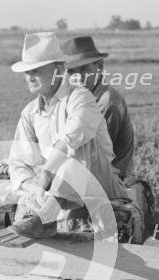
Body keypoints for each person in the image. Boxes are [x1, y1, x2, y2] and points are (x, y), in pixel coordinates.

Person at [0, 32, 128, 239]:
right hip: (53, 188)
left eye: (37, 71)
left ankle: (42, 218)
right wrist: (30, 185)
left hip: (97, 184)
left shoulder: (81, 98)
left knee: (72, 157)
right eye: (27, 72)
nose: (30, 77)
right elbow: (19, 161)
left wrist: (45, 173)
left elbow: (72, 137)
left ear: (59, 70)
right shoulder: (30, 112)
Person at [61, 36, 135, 182]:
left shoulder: (106, 102)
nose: (78, 77)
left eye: (84, 69)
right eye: (71, 71)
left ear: (99, 66)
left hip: (111, 179)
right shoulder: (79, 99)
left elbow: (93, 153)